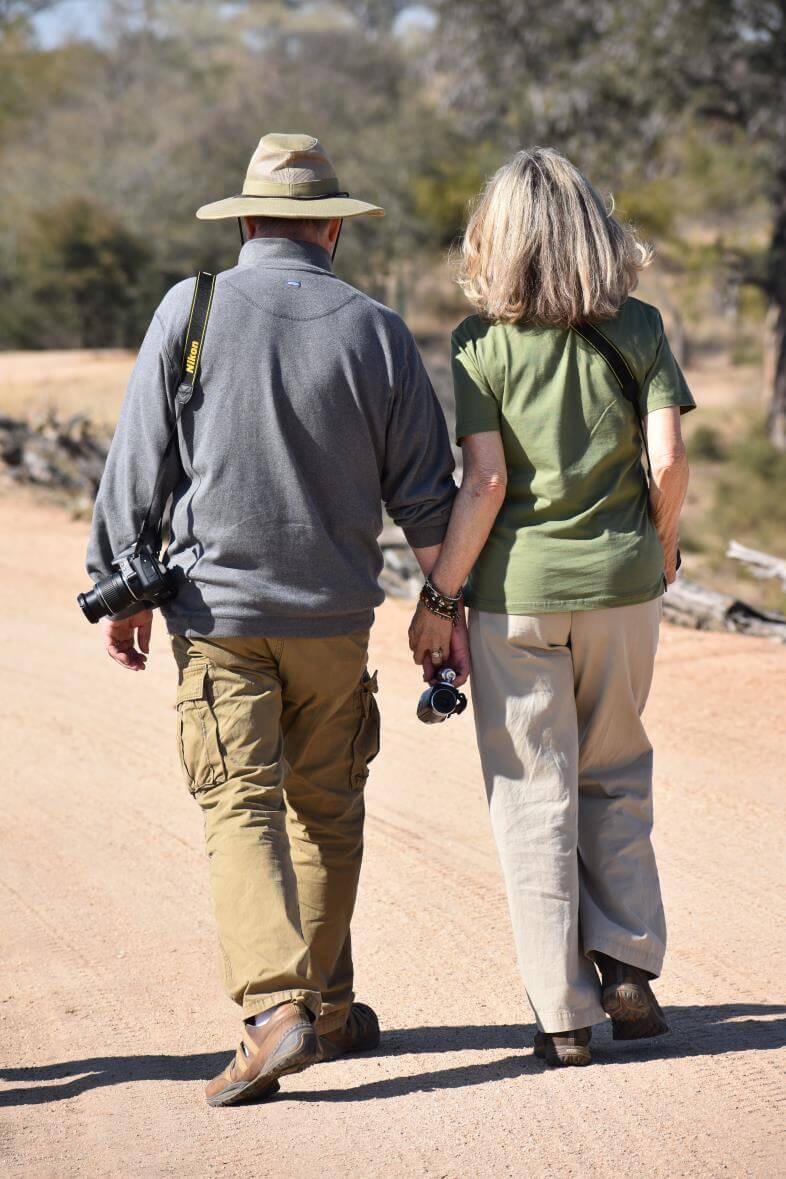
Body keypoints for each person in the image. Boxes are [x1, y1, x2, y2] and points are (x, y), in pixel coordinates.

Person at [87, 133, 457, 1106]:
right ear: (332, 227)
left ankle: (275, 1012)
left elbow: (138, 460)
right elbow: (427, 499)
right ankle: (325, 1014)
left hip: (217, 614)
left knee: (240, 803)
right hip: (334, 620)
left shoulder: (193, 307)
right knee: (326, 807)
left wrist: (119, 590)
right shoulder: (377, 330)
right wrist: (444, 609)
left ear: (246, 220)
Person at [409, 147, 694, 1067]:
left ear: (499, 239)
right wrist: (663, 540)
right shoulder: (642, 326)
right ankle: (626, 967)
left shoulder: (477, 343)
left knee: (532, 794)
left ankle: (561, 1015)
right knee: (615, 769)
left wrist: (438, 596)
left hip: (515, 597)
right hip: (623, 587)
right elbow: (669, 463)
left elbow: (484, 481)